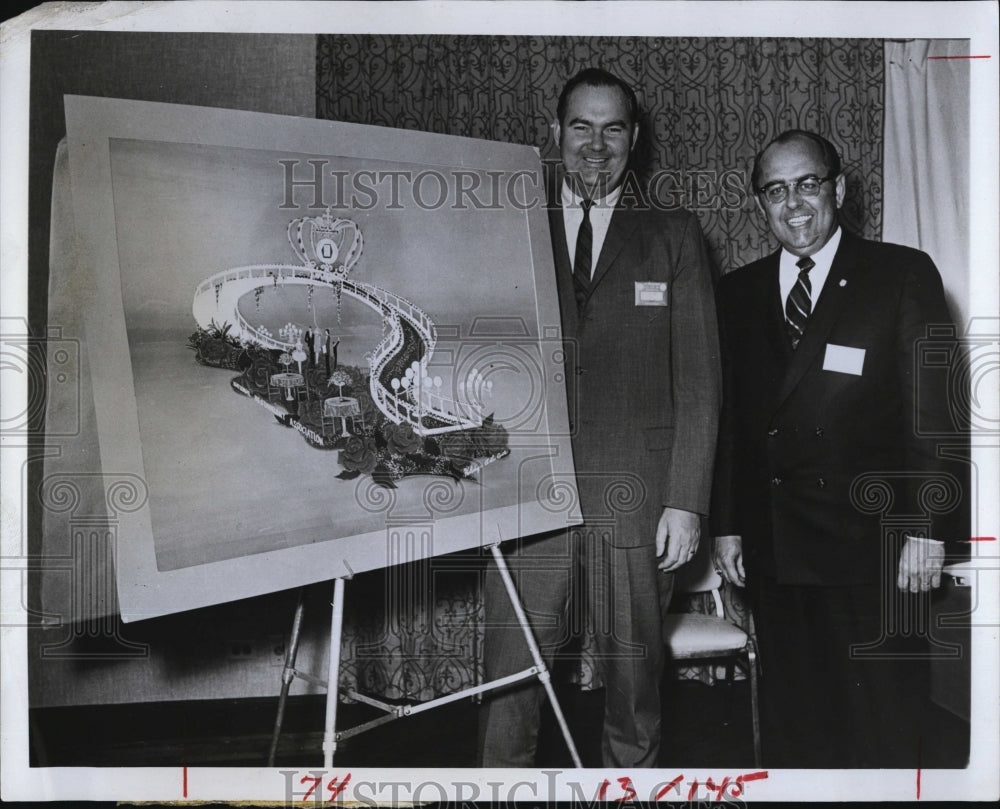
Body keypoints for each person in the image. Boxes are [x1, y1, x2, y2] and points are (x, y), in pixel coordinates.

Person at [478, 68, 721, 767]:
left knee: (634, 686)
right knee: (507, 683)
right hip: (527, 499)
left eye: (613, 128)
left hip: (638, 502)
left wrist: (685, 500)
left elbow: (701, 381)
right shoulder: (510, 226)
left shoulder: (672, 234)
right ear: (554, 134)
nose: (595, 144)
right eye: (580, 126)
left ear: (634, 139)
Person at [711, 129, 960, 768]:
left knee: (885, 726)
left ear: (839, 188)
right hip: (777, 549)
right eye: (775, 191)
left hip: (876, 549)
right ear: (760, 204)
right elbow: (734, 421)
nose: (793, 204)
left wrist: (928, 530)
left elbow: (935, 417)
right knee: (797, 725)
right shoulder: (737, 293)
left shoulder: (900, 274)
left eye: (808, 184)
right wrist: (730, 527)